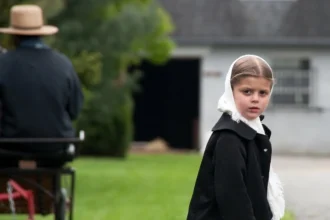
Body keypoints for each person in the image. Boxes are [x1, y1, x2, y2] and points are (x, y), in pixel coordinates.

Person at [186, 55, 285, 220]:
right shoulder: (229, 138)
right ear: (231, 91)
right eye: (247, 91)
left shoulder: (254, 132)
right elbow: (233, 199)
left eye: (263, 93)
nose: (255, 99)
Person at [0, 5, 83, 167]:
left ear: (13, 37)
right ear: (41, 34)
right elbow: (74, 109)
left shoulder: (3, 64)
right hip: (55, 149)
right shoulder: (63, 64)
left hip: (9, 149)